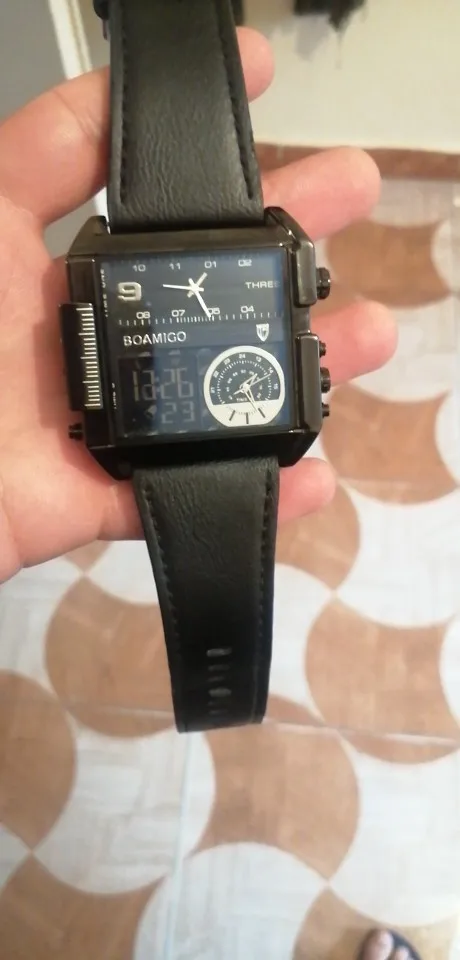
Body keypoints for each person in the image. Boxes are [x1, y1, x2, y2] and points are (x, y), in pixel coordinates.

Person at [0, 25, 419, 960]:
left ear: (299, 284)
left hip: (191, 444)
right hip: (178, 447)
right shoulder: (227, 274)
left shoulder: (160, 268)